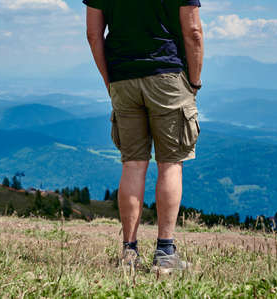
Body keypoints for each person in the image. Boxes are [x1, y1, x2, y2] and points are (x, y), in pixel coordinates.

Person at [84, 0, 203, 274]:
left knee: (133, 163)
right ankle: (164, 253)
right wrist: (194, 82)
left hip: (122, 76)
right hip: (168, 74)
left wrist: (111, 81)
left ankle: (129, 253)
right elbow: (193, 31)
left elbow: (93, 35)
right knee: (170, 163)